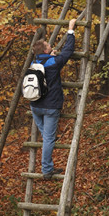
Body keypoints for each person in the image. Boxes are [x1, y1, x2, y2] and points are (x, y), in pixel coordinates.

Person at [30, 18, 76, 178]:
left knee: (47, 136)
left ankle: (48, 144)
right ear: (45, 50)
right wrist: (70, 29)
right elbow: (68, 50)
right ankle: (47, 170)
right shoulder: (54, 62)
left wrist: (51, 54)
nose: (51, 46)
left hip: (35, 105)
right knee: (48, 139)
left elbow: (48, 60)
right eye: (49, 46)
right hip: (50, 107)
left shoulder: (35, 61)